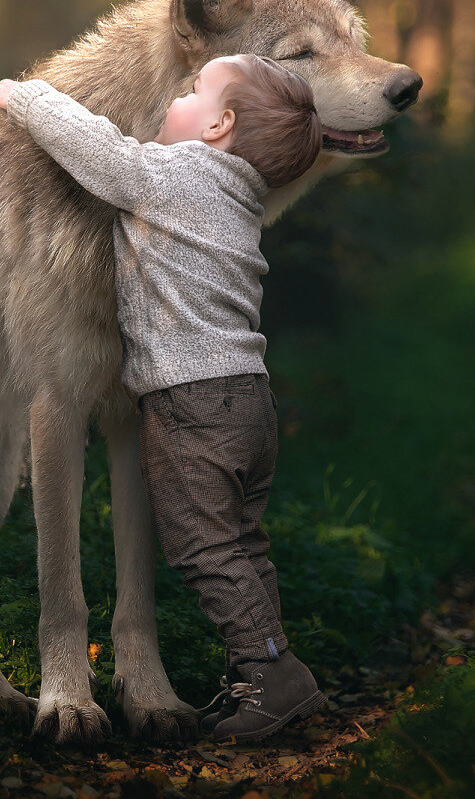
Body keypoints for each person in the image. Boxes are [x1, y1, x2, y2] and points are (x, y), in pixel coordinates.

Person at [0, 53, 327, 743]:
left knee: (204, 550)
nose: (176, 97)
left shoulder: (175, 177)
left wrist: (24, 95)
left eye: (194, 92)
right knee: (242, 546)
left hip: (193, 403)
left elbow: (102, 153)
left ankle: (273, 677)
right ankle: (263, 663)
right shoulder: (242, 197)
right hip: (249, 399)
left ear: (219, 127)